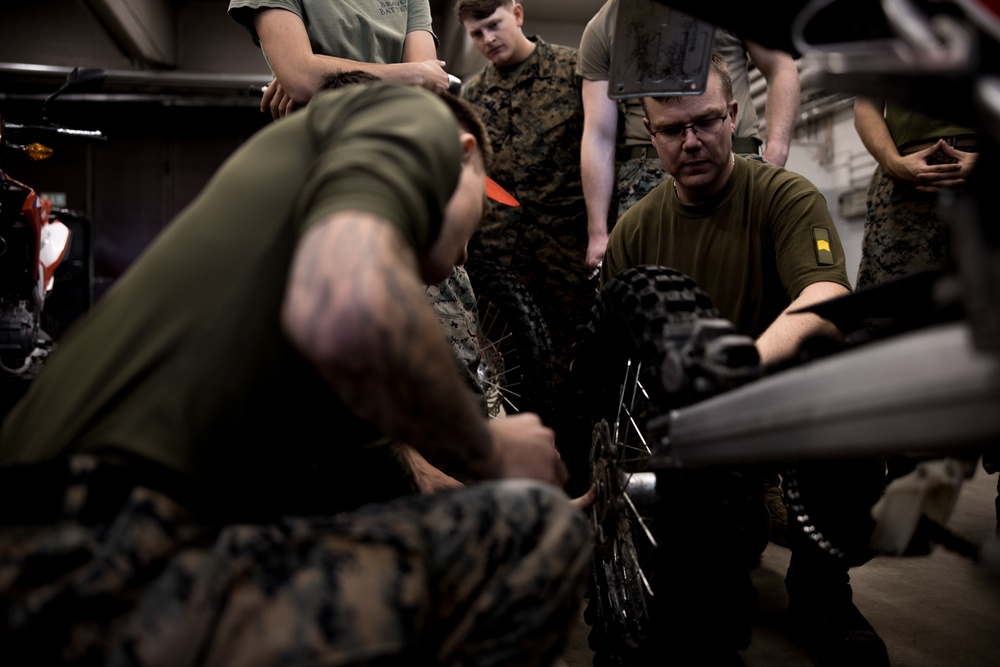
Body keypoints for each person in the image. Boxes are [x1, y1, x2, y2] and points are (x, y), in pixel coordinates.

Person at [0, 81, 591, 665]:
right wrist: (488, 445)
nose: (466, 254)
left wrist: (521, 494)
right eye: (480, 214)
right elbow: (346, 308)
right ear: (462, 153)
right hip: (93, 547)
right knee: (537, 538)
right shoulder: (410, 116)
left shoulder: (313, 342)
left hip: (80, 551)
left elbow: (410, 481)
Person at [600, 51, 888, 665]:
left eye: (705, 121)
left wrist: (740, 369)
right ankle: (731, 527)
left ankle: (820, 588)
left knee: (852, 367)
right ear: (651, 137)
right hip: (683, 428)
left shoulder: (782, 195)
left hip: (773, 401)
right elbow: (607, 355)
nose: (692, 141)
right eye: (673, 130)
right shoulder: (635, 229)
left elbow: (826, 295)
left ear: (733, 115)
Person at [228, 0, 486, 420]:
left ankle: (461, 479)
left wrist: (324, 76)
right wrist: (404, 73)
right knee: (334, 373)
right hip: (329, 175)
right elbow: (299, 77)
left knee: (450, 362)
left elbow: (429, 86)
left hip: (406, 171)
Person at [454, 0, 596, 432]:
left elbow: (601, 151)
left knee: (573, 366)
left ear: (517, 13)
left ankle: (573, 472)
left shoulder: (573, 71)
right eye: (476, 34)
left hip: (564, 249)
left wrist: (598, 231)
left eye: (494, 25)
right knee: (508, 368)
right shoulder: (474, 95)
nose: (487, 40)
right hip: (501, 257)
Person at [578, 0, 801, 270]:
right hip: (647, 175)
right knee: (652, 295)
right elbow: (599, 134)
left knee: (752, 280)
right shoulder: (605, 24)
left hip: (735, 159)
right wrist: (598, 232)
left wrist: (775, 155)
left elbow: (780, 67)